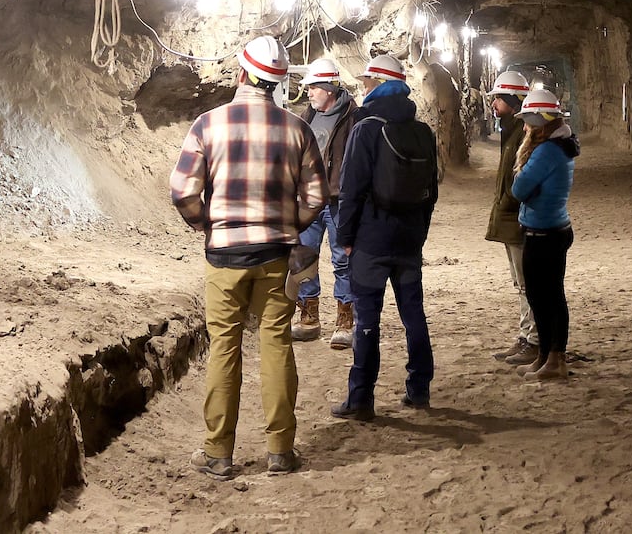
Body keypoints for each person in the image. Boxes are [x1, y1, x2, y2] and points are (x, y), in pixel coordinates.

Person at [170, 35, 328, 479]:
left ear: (241, 73)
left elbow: (183, 191)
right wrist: (289, 225)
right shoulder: (297, 128)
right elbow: (317, 194)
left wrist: (205, 223)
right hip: (276, 255)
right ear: (277, 83)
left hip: (224, 256)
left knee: (225, 347)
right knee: (276, 342)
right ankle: (280, 450)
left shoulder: (208, 124)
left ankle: (219, 453)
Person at [331, 53, 438, 421]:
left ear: (376, 84)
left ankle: (361, 399)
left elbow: (350, 190)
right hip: (408, 239)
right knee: (414, 315)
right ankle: (419, 389)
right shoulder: (423, 132)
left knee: (367, 321)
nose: (362, 88)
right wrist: (418, 234)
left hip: (371, 241)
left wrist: (345, 237)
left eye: (365, 82)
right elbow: (431, 192)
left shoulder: (366, 129)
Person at [509, 87, 580, 381]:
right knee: (546, 296)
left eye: (528, 120)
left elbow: (519, 189)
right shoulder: (559, 147)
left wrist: (523, 177)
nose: (524, 126)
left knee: (546, 297)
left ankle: (554, 359)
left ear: (540, 121)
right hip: (553, 228)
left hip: (544, 233)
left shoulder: (547, 152)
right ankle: (547, 356)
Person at [290, 57, 358, 348]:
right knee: (303, 257)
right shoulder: (307, 115)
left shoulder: (354, 117)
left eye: (313, 87)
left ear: (328, 88)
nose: (308, 92)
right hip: (308, 199)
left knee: (343, 260)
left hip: (338, 201)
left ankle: (345, 319)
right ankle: (309, 316)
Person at [484, 70, 539, 366]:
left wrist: (508, 203)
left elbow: (521, 180)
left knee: (527, 283)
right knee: (520, 283)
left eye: (497, 99)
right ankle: (525, 337)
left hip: (517, 219)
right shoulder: (511, 131)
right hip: (509, 217)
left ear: (512, 101)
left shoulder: (523, 133)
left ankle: (533, 340)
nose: (493, 103)